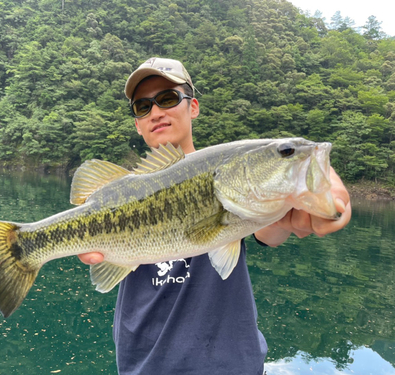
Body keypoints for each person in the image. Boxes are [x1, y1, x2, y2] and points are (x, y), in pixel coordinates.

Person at [79, 57, 352, 374]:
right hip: (144, 366)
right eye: (143, 107)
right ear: (138, 124)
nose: (156, 112)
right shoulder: (117, 195)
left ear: (192, 106)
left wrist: (298, 207)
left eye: (167, 98)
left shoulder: (234, 182)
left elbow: (271, 231)